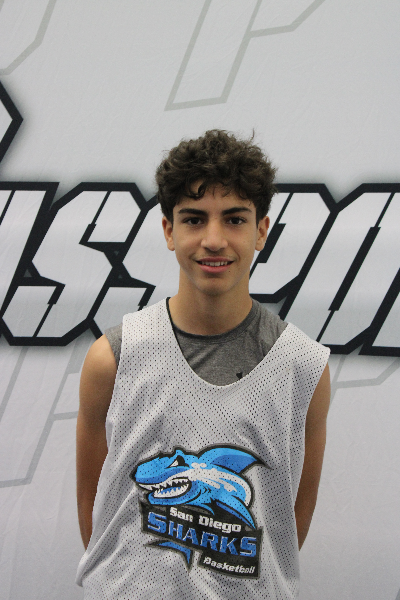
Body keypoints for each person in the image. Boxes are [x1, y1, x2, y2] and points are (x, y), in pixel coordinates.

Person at [76, 129, 330, 599]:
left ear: (261, 231)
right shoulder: (112, 359)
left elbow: (285, 527)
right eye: (194, 219)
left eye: (234, 219)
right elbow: (97, 517)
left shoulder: (304, 367)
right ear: (169, 230)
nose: (214, 240)